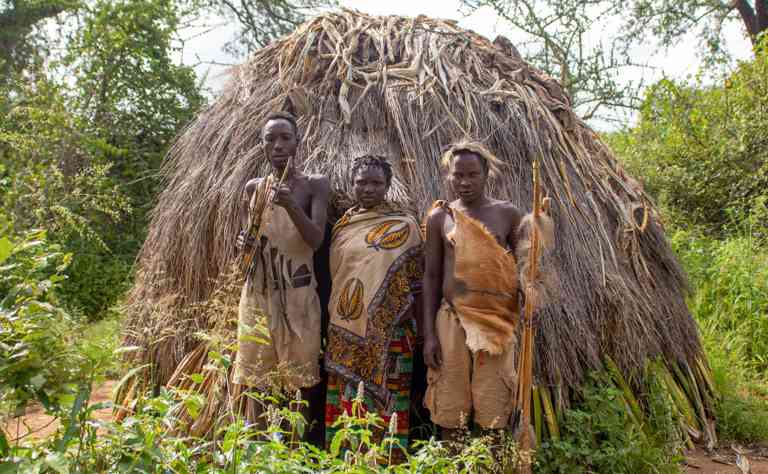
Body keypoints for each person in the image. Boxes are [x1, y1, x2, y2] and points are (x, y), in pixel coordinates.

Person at [422, 141, 553, 440]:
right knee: (449, 403)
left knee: (493, 406)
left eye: (473, 174)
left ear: (486, 175)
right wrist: (429, 335)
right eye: (458, 175)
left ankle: (490, 461)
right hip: (451, 318)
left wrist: (529, 301)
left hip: (495, 320)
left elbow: (525, 268)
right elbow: (431, 276)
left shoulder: (506, 214)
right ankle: (452, 461)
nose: (465, 182)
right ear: (449, 176)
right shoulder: (440, 217)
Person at [233, 111, 330, 433]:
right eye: (270, 139)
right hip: (259, 294)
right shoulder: (254, 189)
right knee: (257, 377)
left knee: (301, 377)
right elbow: (249, 249)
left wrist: (291, 206)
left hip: (299, 295)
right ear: (262, 145)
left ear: (297, 142)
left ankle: (297, 446)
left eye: (285, 138)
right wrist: (244, 244)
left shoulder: (315, 185)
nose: (278, 145)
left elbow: (316, 240)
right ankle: (257, 446)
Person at [324, 155, 423, 457]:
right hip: (345, 332)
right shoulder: (343, 227)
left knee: (389, 404)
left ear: (388, 185)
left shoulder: (405, 225)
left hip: (391, 333)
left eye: (376, 183)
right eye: (362, 182)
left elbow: (417, 282)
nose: (368, 188)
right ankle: (346, 461)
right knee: (347, 401)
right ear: (352, 184)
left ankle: (386, 462)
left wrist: (395, 317)